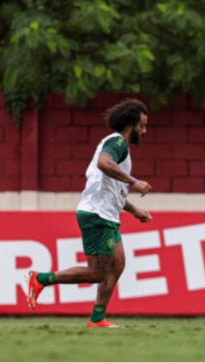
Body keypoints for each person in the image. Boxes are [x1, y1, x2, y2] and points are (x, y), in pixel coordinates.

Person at [27, 98, 153, 328]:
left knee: (117, 265)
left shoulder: (117, 148)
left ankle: (97, 318)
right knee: (98, 273)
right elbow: (104, 164)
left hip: (106, 215)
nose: (144, 131)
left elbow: (113, 190)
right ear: (130, 125)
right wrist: (135, 182)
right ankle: (41, 279)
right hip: (96, 215)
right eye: (141, 126)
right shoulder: (117, 143)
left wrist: (135, 211)